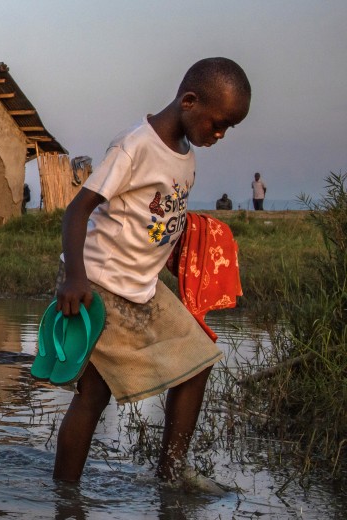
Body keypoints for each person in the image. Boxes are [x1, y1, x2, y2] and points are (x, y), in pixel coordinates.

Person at [53, 58, 251, 484]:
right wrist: (74, 278)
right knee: (94, 394)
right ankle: (65, 498)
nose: (220, 134)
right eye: (218, 124)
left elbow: (158, 224)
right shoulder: (134, 146)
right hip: (99, 286)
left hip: (144, 288)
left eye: (228, 129)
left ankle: (170, 474)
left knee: (198, 362)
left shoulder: (186, 158)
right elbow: (77, 211)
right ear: (190, 101)